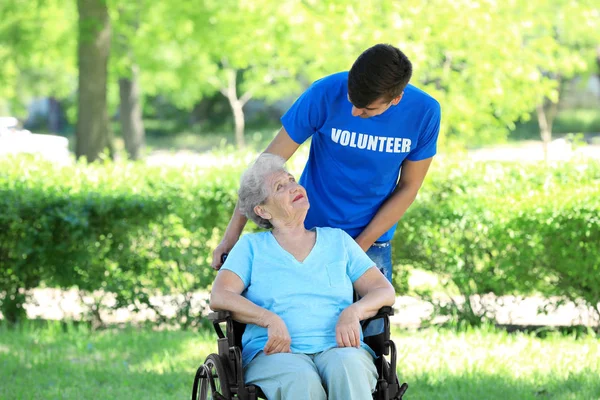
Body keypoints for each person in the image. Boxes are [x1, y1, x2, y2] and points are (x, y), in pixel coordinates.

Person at [212, 43, 441, 290]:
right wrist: (231, 237)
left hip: (371, 245)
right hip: (307, 236)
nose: (354, 112)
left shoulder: (424, 113)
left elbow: (408, 187)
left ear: (396, 98)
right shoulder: (325, 92)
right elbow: (265, 166)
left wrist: (358, 248)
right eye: (352, 100)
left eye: (367, 109)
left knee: (370, 326)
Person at [210, 154, 396, 400]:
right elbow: (220, 295)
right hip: (275, 354)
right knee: (301, 378)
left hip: (340, 348)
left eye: (292, 180)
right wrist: (268, 319)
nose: (294, 188)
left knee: (348, 367)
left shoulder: (338, 241)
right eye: (280, 187)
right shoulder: (252, 248)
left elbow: (384, 291)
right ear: (262, 210)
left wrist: (354, 312)